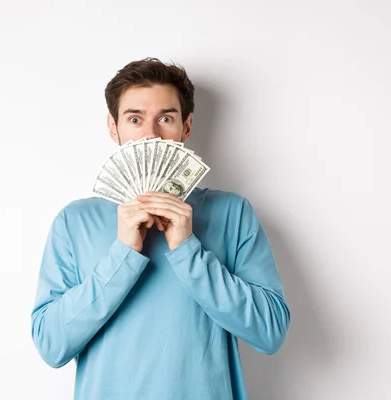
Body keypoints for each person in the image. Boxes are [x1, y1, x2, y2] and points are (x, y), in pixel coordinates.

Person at [30, 57, 291, 400]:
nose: (150, 134)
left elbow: (270, 332)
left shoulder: (232, 213)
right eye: (135, 119)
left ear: (186, 126)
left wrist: (188, 250)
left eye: (165, 118)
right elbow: (51, 345)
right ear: (114, 128)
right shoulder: (75, 221)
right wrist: (123, 254)